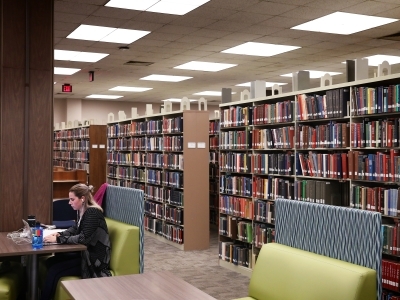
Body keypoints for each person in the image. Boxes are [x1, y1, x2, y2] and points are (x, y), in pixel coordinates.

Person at [41, 184, 112, 300]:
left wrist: (59, 239)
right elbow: (75, 228)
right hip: (84, 253)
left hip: (93, 259)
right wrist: (60, 234)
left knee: (54, 270)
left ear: (82, 199)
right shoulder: (83, 211)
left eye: (72, 199)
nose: (69, 202)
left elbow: (83, 238)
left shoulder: (93, 213)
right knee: (50, 262)